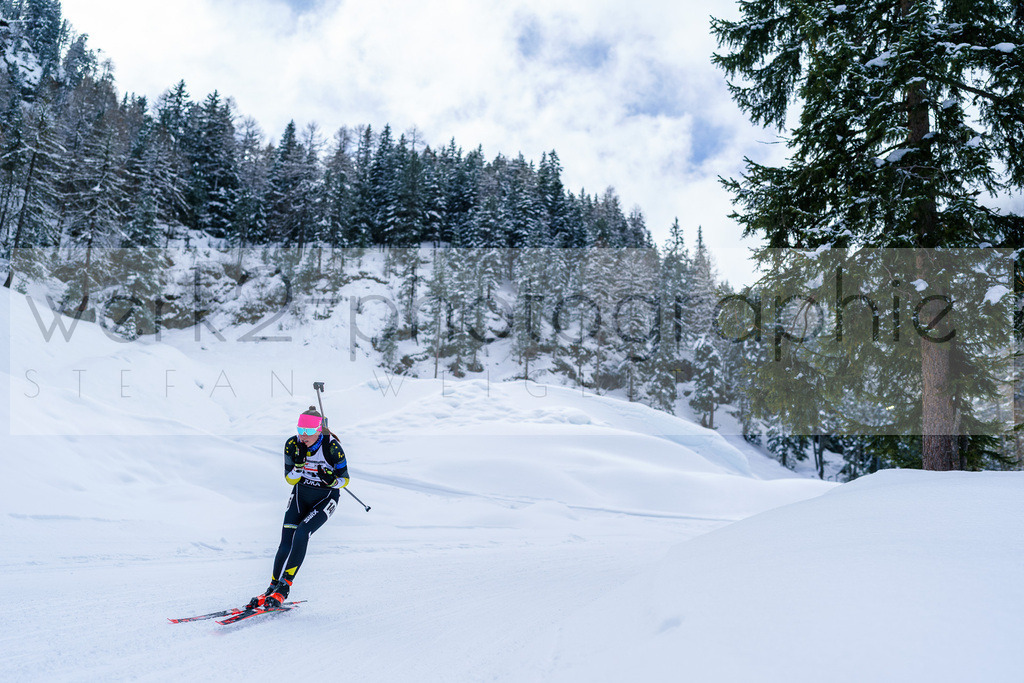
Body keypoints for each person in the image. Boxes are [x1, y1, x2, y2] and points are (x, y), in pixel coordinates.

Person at [247, 406, 350, 609]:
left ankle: (284, 588)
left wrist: (330, 480)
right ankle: (272, 587)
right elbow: (289, 479)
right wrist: (300, 466)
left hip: (326, 498)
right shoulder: (292, 444)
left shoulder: (332, 447)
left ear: (319, 430)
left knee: (302, 533)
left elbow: (345, 479)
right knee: (286, 539)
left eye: (309, 431)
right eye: (300, 430)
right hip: (300, 495)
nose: (304, 435)